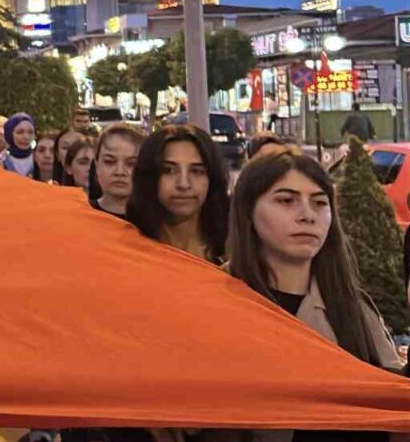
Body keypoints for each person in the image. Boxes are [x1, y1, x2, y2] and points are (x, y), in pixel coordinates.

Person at [211, 151, 403, 442]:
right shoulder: (216, 300)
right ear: (248, 211)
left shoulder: (354, 308)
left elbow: (394, 409)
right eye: (286, 201)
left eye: (319, 203)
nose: (307, 215)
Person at [127, 125, 229, 264]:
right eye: (169, 170)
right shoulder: (127, 251)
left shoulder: (234, 254)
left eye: (197, 171)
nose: (183, 184)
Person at [91, 124, 146, 220]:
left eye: (131, 164)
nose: (119, 172)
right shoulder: (80, 216)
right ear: (96, 165)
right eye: (109, 161)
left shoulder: (159, 225)